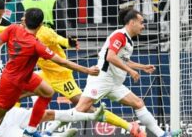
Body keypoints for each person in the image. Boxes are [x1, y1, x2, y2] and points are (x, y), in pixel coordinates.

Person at [0, 13, 146, 137]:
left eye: (22, 19)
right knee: (5, 108)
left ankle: (34, 130)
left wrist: (69, 44)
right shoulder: (24, 34)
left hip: (59, 77)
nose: (20, 21)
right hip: (32, 75)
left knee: (67, 100)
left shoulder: (39, 34)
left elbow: (61, 42)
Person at [75, 8, 181, 137]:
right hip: (102, 79)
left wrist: (142, 67)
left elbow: (123, 60)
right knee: (80, 109)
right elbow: (110, 56)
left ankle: (162, 134)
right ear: (132, 22)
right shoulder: (120, 35)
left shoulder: (129, 40)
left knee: (138, 103)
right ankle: (51, 129)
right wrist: (130, 71)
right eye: (141, 22)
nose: (143, 26)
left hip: (114, 83)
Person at [0, 61, 105, 137]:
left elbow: (2, 97)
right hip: (1, 130)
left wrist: (31, 92)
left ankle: (93, 116)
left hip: (11, 113)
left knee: (48, 114)